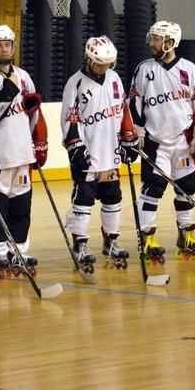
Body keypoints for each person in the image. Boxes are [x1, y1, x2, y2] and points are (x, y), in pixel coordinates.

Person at [129, 20, 195, 261]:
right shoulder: (144, 69)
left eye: (156, 39)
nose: (152, 43)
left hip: (183, 142)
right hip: (156, 143)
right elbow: (134, 102)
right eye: (152, 38)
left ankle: (186, 233)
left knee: (187, 187)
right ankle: (146, 237)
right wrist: (136, 131)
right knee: (153, 189)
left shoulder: (189, 69)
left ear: (170, 42)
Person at [0, 25, 48, 278]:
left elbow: (34, 113)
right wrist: (9, 90)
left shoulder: (24, 76)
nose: (4, 49)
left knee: (21, 205)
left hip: (22, 153)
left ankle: (19, 249)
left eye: (8, 44)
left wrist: (39, 144)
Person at [60, 36, 137, 272]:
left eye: (107, 64)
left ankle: (111, 241)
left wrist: (129, 138)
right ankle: (80, 244)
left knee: (113, 197)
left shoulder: (114, 79)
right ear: (88, 59)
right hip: (88, 153)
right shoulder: (75, 83)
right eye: (99, 63)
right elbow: (69, 116)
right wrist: (75, 146)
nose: (103, 68)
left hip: (110, 152)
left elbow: (123, 110)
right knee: (83, 198)